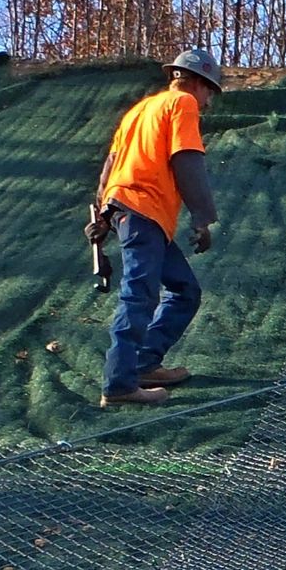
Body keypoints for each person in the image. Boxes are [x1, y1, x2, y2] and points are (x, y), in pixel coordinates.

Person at [86, 49, 223, 406]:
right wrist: (202, 217)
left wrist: (103, 214)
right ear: (196, 82)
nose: (207, 103)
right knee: (139, 294)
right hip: (143, 212)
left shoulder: (140, 110)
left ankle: (145, 363)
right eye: (209, 92)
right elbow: (186, 159)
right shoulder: (182, 105)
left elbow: (111, 166)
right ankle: (118, 385)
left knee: (184, 290)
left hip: (131, 211)